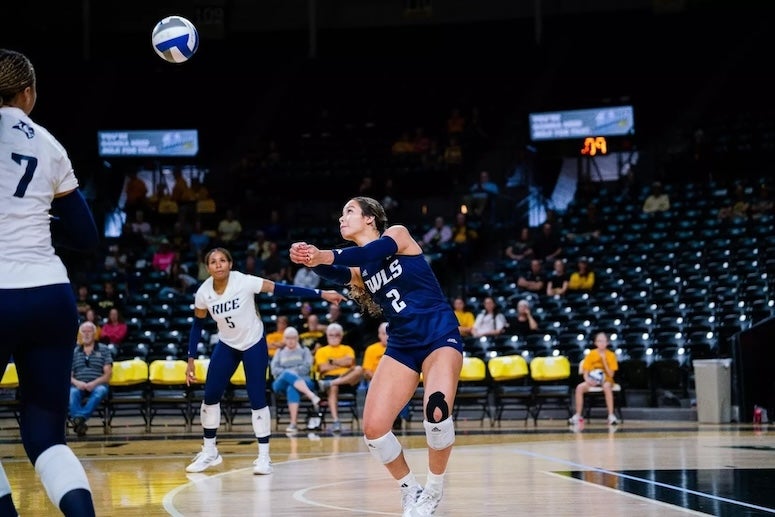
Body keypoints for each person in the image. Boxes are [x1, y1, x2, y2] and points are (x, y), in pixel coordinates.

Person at [290, 196, 464, 516]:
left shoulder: (397, 235)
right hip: (402, 345)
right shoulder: (361, 267)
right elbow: (345, 273)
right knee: (374, 428)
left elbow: (371, 251)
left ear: (370, 218)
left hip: (439, 336)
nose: (342, 218)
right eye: (342, 213)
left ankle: (434, 491)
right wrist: (312, 261)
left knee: (436, 413)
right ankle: (411, 489)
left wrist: (324, 253)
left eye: (350, 212)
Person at [0, 48, 100, 515]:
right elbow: (85, 237)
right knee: (45, 437)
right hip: (49, 294)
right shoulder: (48, 142)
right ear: (27, 93)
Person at [184, 247, 346, 474]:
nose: (218, 264)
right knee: (210, 396)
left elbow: (283, 290)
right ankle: (210, 452)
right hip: (227, 345)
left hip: (253, 343)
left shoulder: (245, 282)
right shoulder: (203, 293)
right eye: (213, 261)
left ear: (230, 264)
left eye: (223, 260)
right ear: (207, 267)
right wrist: (190, 357)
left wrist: (322, 294)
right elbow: (198, 325)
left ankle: (263, 457)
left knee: (257, 397)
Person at [270, 326, 322, 434]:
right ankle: (311, 395)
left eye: (293, 338)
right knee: (287, 374)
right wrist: (290, 372)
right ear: (284, 339)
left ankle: (293, 424)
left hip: (304, 380)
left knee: (292, 387)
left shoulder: (304, 350)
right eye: (288, 338)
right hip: (281, 383)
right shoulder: (279, 352)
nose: (290, 340)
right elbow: (274, 370)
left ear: (297, 338)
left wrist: (291, 372)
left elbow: (307, 367)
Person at [313, 323, 363, 433]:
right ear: (327, 336)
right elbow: (322, 368)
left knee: (359, 369)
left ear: (341, 336)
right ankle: (336, 421)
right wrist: (342, 363)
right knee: (333, 388)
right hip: (328, 377)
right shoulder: (321, 351)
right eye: (331, 335)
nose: (334, 337)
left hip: (347, 379)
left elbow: (350, 362)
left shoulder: (347, 348)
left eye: (336, 335)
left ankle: (333, 383)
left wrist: (332, 361)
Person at [362, 322, 411, 429]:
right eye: (384, 334)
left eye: (389, 333)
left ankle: (400, 417)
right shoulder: (371, 349)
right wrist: (381, 380)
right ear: (379, 335)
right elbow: (366, 371)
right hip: (377, 380)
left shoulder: (401, 347)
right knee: (373, 387)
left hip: (398, 380)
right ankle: (376, 418)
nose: (387, 336)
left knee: (404, 386)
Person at [69, 322, 113, 437]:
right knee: (71, 393)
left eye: (89, 331)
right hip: (78, 385)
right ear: (80, 334)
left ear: (94, 334)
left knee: (100, 391)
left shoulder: (104, 349)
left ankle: (79, 419)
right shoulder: (74, 351)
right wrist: (77, 383)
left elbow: (107, 375)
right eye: (84, 331)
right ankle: (80, 423)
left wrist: (94, 383)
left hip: (98, 384)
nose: (86, 334)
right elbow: (69, 376)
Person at [569, 332, 619, 426]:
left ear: (607, 342)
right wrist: (587, 380)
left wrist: (604, 361)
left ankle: (611, 415)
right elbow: (585, 371)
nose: (602, 343)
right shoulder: (591, 354)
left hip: (606, 379)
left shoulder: (611, 355)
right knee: (579, 387)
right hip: (592, 379)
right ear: (595, 343)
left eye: (604, 341)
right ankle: (578, 415)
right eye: (599, 341)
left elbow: (611, 374)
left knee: (607, 386)